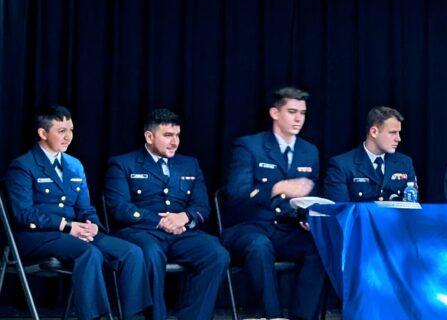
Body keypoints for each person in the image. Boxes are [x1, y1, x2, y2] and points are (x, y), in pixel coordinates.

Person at [5, 104, 150, 320]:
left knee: (132, 252)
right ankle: (96, 317)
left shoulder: (75, 165)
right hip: (36, 236)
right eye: (61, 131)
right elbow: (24, 214)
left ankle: (134, 316)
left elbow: (85, 208)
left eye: (71, 130)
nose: (68, 137)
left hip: (76, 232)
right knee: (89, 252)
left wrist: (91, 224)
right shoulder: (23, 166)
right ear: (43, 133)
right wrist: (67, 226)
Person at [104, 108, 230, 320]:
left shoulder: (189, 164)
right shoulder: (123, 164)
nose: (175, 142)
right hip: (141, 231)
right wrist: (161, 221)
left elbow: (202, 207)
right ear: (149, 136)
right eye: (168, 135)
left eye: (177, 135)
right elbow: (119, 208)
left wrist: (185, 218)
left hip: (181, 233)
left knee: (217, 254)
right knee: (150, 254)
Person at [222, 87, 325, 320]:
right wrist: (278, 187)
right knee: (259, 245)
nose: (298, 118)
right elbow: (236, 197)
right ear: (275, 113)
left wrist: (308, 219)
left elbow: (308, 199)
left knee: (319, 247)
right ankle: (272, 316)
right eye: (291, 111)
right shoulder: (249, 146)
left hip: (286, 227)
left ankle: (302, 317)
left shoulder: (309, 151)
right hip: (249, 225)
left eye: (302, 113)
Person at [324, 106, 418, 202]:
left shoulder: (405, 163)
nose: (398, 138)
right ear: (374, 132)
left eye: (398, 133)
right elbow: (341, 211)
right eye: (393, 132)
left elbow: (413, 205)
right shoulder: (342, 165)